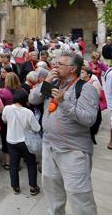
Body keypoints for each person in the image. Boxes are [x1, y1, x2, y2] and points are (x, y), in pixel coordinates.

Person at [29, 52, 99, 215]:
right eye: (55, 63)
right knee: (52, 190)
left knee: (79, 194)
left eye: (60, 64)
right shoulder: (52, 83)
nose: (55, 66)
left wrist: (63, 102)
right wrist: (45, 82)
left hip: (73, 149)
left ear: (73, 68)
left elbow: (89, 119)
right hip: (49, 145)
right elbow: (32, 99)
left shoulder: (86, 88)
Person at [2, 89, 41, 196]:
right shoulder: (28, 112)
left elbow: (4, 120)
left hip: (11, 141)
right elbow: (37, 128)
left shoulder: (7, 108)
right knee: (31, 164)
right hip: (26, 142)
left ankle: (15, 187)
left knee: (13, 164)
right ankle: (33, 187)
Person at [0, 72, 22, 170]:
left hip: (6, 119)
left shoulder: (3, 92)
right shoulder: (22, 90)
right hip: (20, 119)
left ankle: (8, 163)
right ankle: (17, 163)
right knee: (18, 139)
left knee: (6, 139)